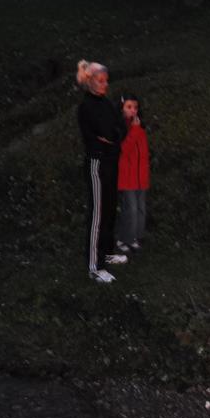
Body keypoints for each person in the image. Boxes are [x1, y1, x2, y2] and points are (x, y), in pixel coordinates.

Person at [76, 59, 128, 283]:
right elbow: (104, 133)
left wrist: (113, 136)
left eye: (106, 81)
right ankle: (94, 266)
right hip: (97, 163)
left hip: (111, 160)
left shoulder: (106, 103)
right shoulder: (86, 107)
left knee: (109, 209)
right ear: (90, 82)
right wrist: (110, 136)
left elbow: (118, 130)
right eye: (101, 81)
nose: (105, 85)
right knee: (97, 214)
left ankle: (106, 252)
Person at [115, 93, 150, 252]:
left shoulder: (139, 127)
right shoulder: (120, 127)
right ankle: (124, 239)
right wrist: (134, 131)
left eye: (135, 107)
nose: (133, 110)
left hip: (140, 177)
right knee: (131, 209)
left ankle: (134, 237)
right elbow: (122, 150)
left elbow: (143, 153)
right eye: (129, 107)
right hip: (127, 177)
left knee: (141, 209)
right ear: (122, 108)